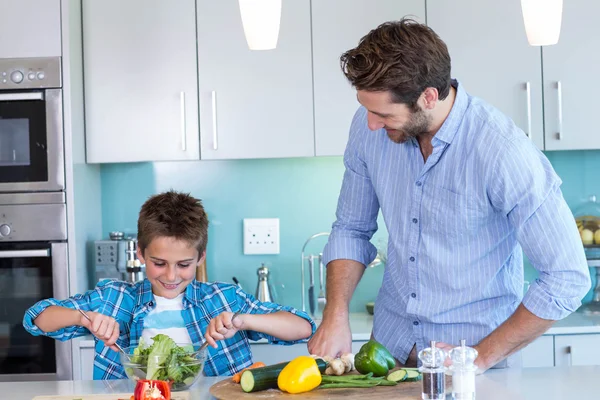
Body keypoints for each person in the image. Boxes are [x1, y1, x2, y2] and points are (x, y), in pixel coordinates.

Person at [307, 18, 591, 372]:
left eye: (382, 114)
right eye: (367, 109)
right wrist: (335, 315)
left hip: (474, 364)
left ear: (428, 97)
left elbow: (566, 277)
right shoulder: (369, 131)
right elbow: (351, 228)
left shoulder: (502, 151)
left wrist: (478, 358)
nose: (370, 124)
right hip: (387, 355)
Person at [23, 190, 314, 379]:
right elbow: (36, 319)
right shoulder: (114, 298)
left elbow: (304, 327)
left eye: (184, 265)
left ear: (200, 257)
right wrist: (84, 317)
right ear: (140, 253)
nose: (171, 276)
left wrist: (243, 320)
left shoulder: (223, 299)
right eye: (159, 263)